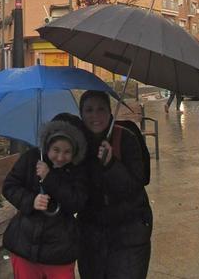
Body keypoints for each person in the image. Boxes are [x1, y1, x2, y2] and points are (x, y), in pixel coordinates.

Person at [78, 90, 152, 279]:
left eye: (101, 109)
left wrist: (111, 164)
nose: (95, 116)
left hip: (128, 233)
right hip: (92, 235)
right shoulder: (79, 144)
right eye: (89, 110)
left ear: (110, 112)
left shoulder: (126, 138)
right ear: (81, 114)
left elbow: (135, 185)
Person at [2, 119, 88, 279]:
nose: (60, 157)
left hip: (60, 250)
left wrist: (49, 178)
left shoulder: (77, 170)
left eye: (67, 152)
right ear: (47, 146)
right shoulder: (31, 158)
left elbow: (76, 202)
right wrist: (30, 200)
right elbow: (9, 186)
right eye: (56, 149)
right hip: (25, 245)